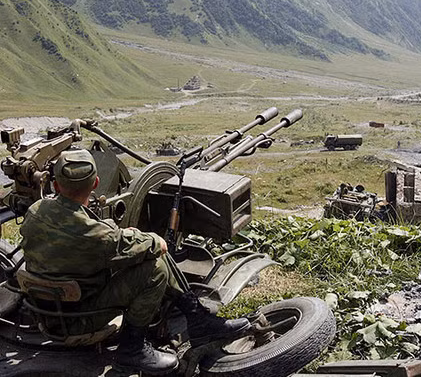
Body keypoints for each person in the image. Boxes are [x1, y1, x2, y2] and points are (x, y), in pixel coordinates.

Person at [19, 150, 250, 374]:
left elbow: (90, 238)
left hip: (46, 311)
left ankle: (198, 319)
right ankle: (133, 349)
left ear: (56, 185)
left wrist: (120, 235)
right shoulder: (102, 237)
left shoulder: (35, 211)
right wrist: (142, 237)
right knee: (156, 267)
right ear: (96, 183)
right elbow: (156, 245)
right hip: (79, 318)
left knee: (147, 255)